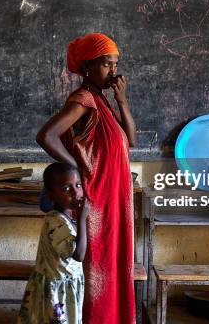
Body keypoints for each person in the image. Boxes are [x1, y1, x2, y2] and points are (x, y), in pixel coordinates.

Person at [36, 33, 137, 324]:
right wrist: (77, 169)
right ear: (87, 68)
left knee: (113, 263)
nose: (113, 71)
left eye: (115, 64)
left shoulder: (102, 102)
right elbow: (46, 135)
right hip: (96, 201)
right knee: (97, 268)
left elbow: (130, 139)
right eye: (107, 64)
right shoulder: (83, 100)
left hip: (113, 199)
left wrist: (122, 100)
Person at [18, 162, 89, 324]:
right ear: (51, 195)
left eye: (78, 185)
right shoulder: (56, 220)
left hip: (67, 283)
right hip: (57, 290)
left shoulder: (67, 218)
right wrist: (83, 218)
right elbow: (79, 255)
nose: (75, 192)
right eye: (66, 189)